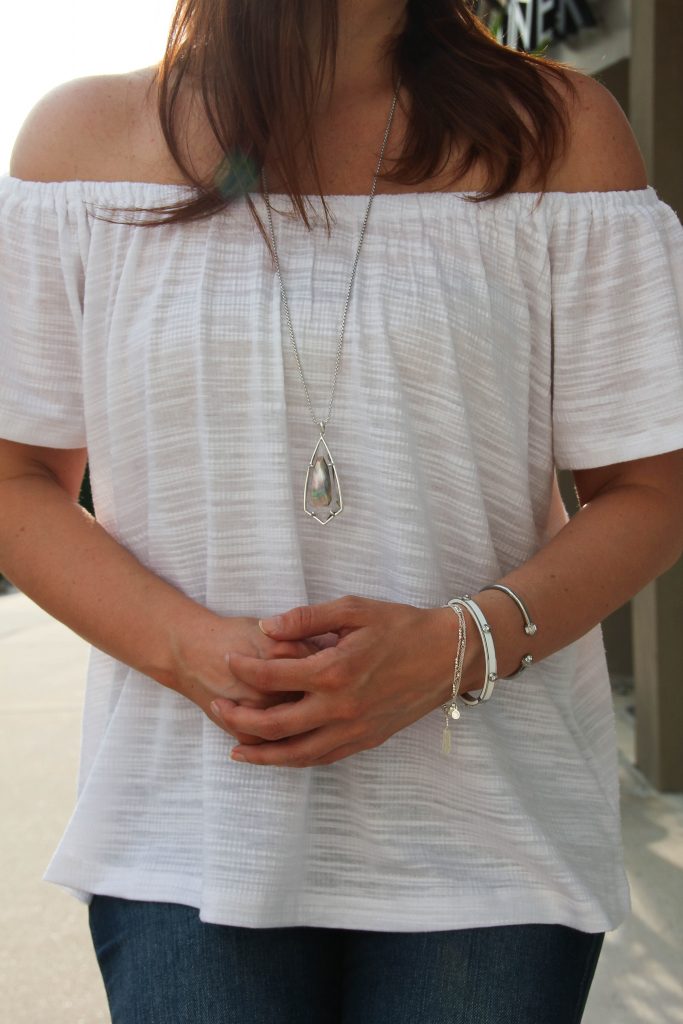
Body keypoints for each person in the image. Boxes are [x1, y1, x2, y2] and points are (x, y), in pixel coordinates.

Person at [1, 1, 682, 1021]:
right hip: (189, 834)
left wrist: (458, 646)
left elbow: (650, 491)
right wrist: (191, 649)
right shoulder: (81, 146)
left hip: (488, 840)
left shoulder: (556, 136)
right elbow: (16, 480)